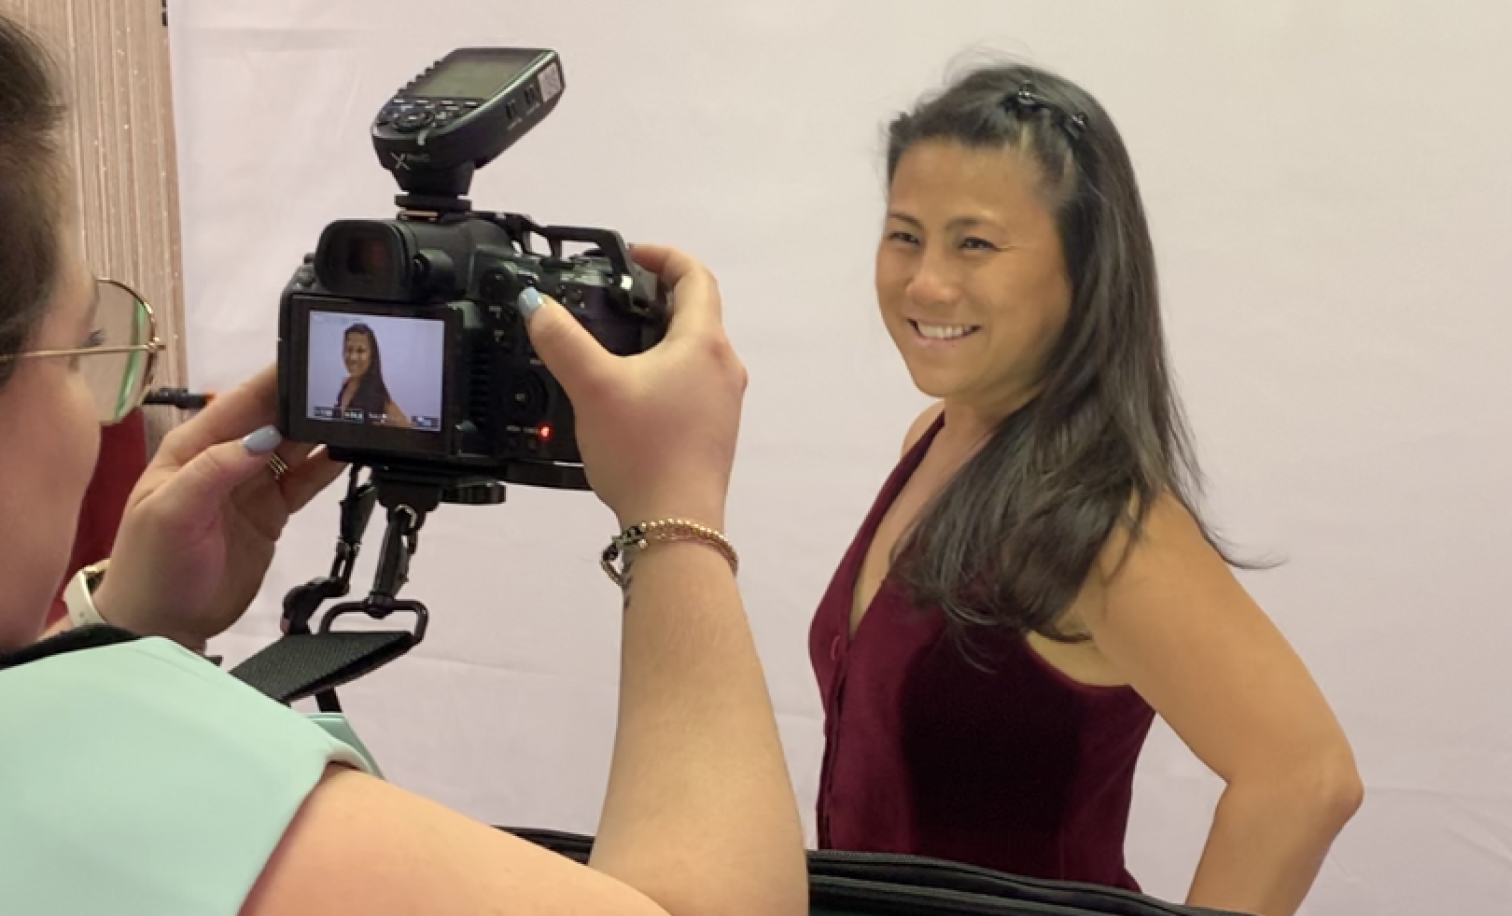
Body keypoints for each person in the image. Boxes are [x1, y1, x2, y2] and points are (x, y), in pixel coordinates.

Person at [0, 16, 805, 916]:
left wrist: (122, 631)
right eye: (82, 350)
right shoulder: (122, 765)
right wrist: (677, 514)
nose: (102, 404)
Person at [807, 62, 1363, 916]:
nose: (926, 283)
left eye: (976, 243)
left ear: (1082, 269)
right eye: (906, 235)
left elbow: (1305, 777)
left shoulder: (1098, 525)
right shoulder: (934, 442)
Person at [335, 322, 410, 427]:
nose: (353, 357)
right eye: (349, 349)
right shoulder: (346, 384)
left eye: (360, 351)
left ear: (372, 355)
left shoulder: (380, 398)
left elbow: (405, 426)